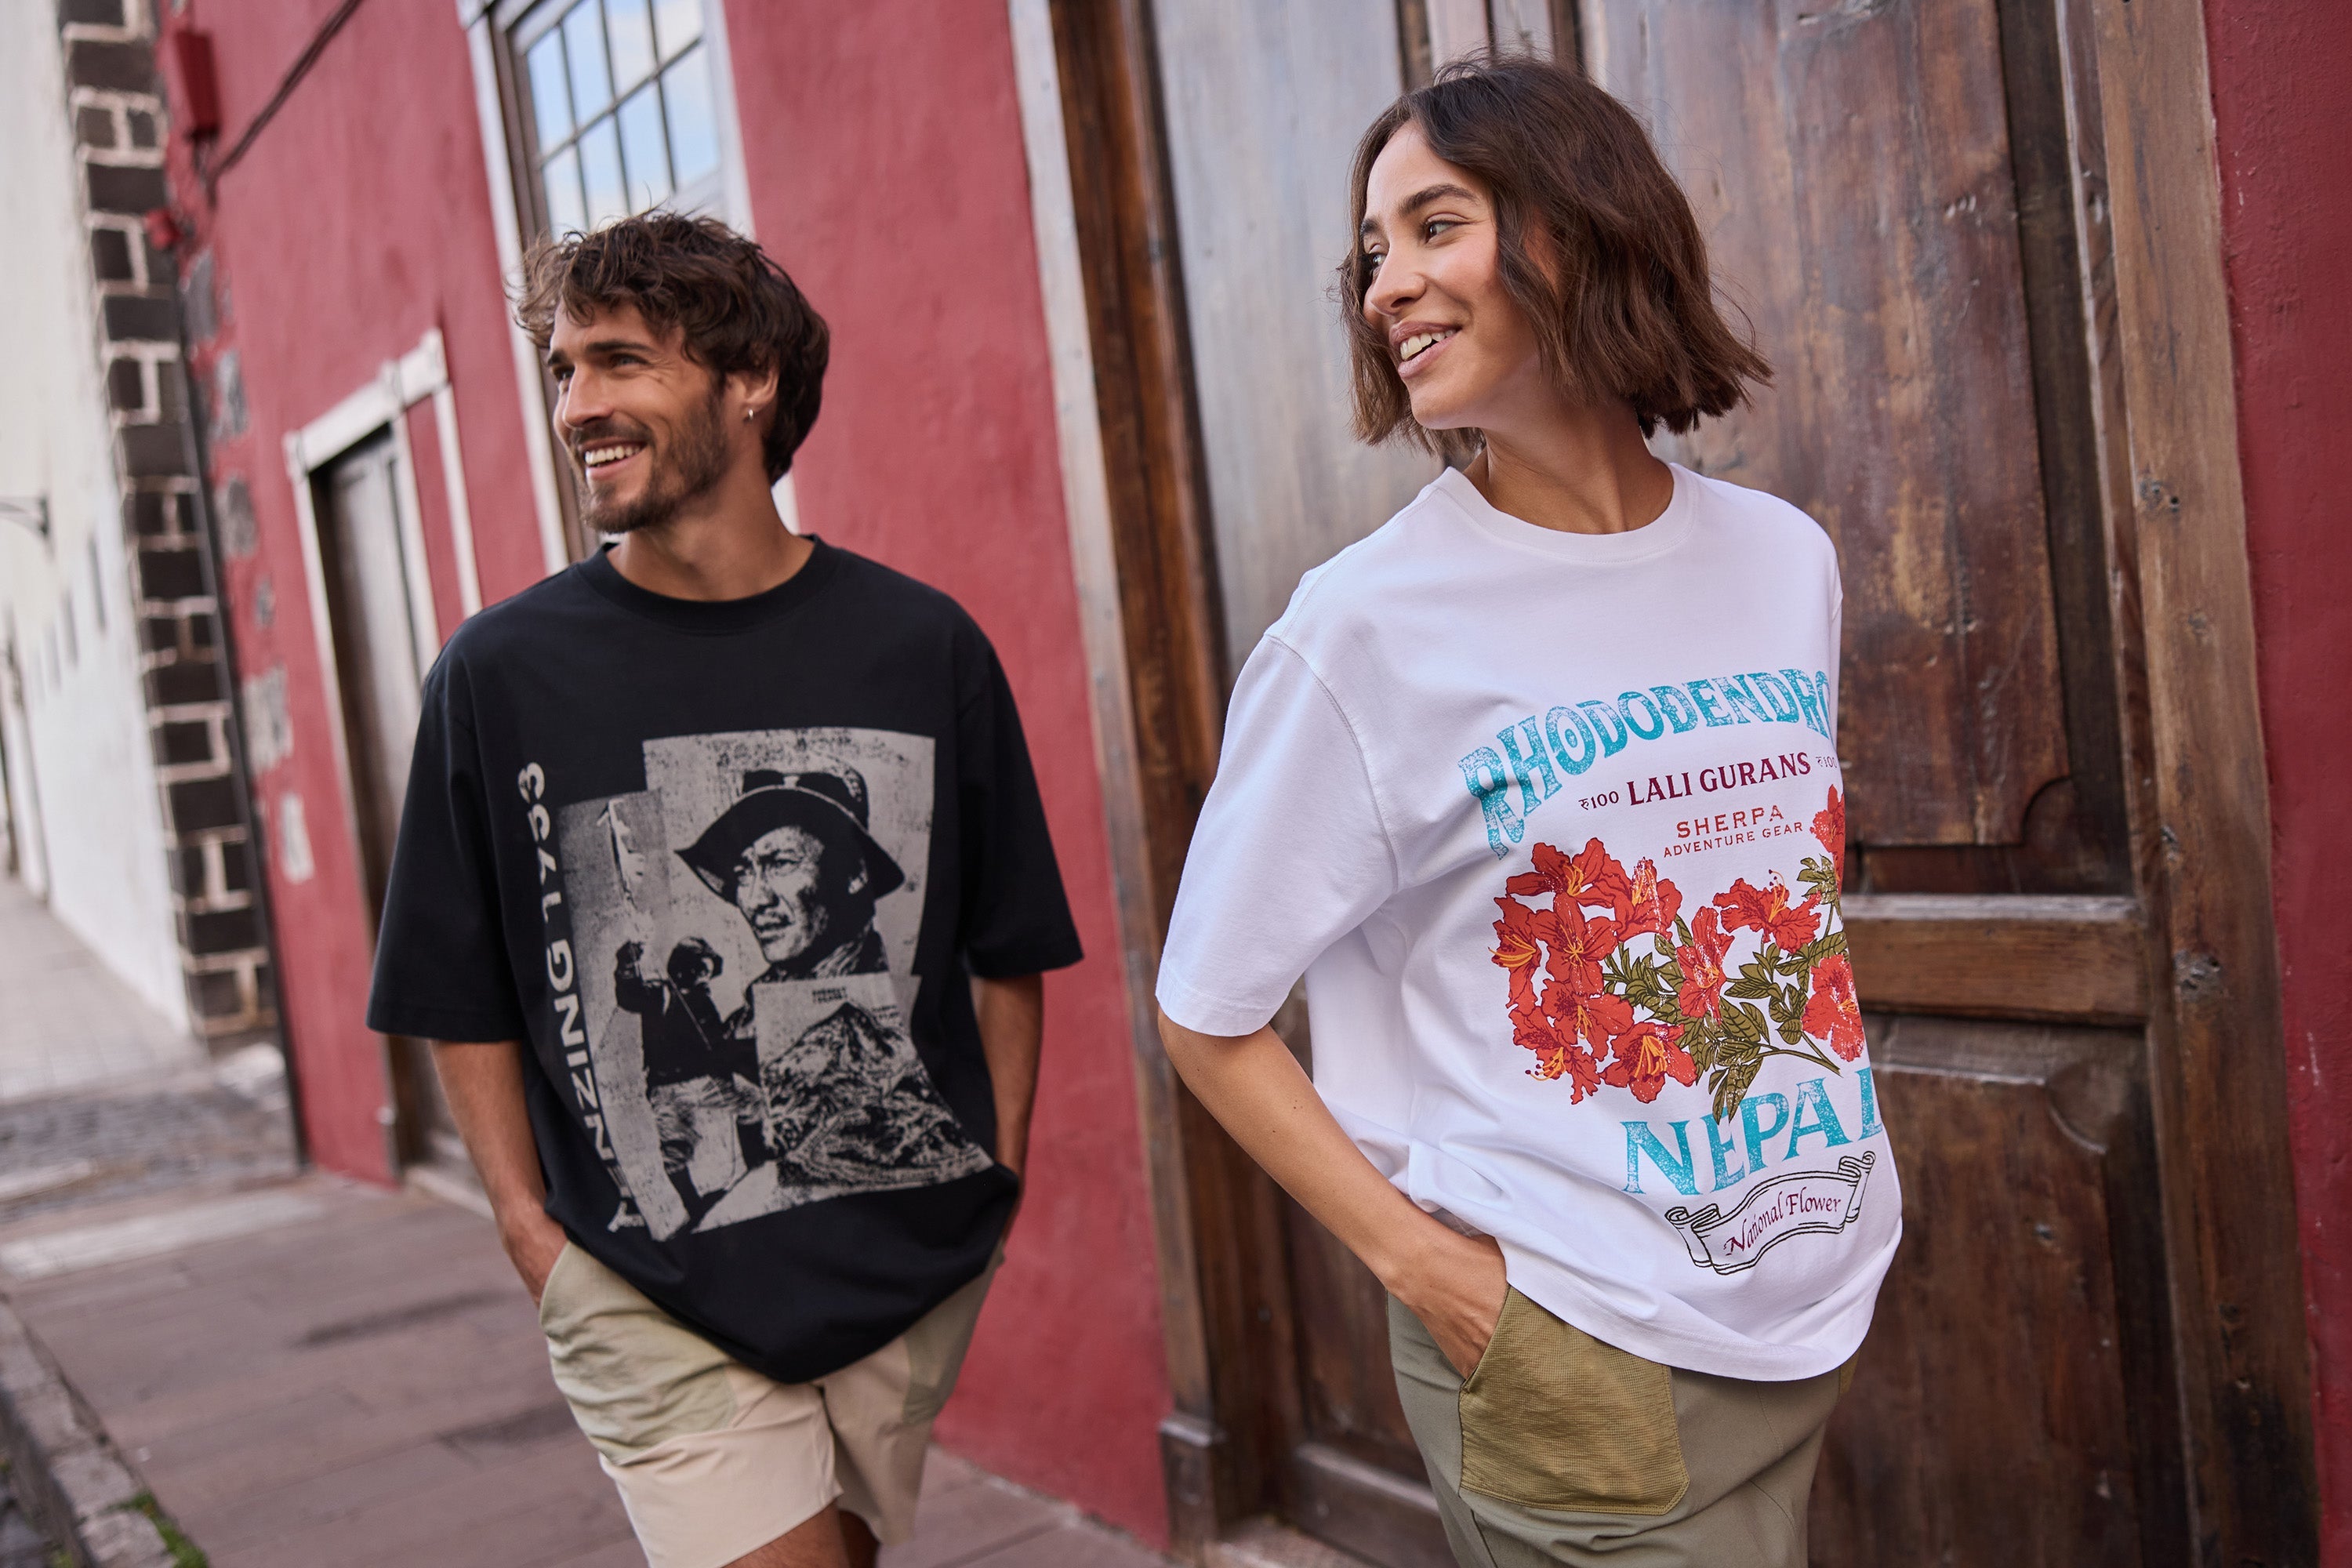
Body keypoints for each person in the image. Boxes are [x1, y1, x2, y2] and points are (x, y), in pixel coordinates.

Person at [1152, 56, 1899, 1567]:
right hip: (1573, 1342)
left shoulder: (1780, 558)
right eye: (1373, 251)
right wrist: (1436, 1279)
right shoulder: (1363, 630)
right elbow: (1206, 1011)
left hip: (1807, 1294)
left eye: (1436, 227)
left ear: (1581, 227)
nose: (1386, 286)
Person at [365, 211, 1083, 1568]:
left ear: (748, 380)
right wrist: (536, 1242)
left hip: (901, 1265)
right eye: (564, 371)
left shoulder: (922, 646)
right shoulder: (500, 674)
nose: (578, 406)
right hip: (647, 1289)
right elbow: (454, 994)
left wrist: (997, 1177)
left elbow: (1006, 944)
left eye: (620, 363)